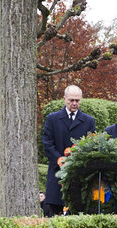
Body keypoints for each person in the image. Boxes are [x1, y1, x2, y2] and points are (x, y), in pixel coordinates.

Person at [42, 85, 95, 217]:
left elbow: (91, 146)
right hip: (57, 172)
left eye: (77, 100)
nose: (74, 103)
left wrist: (76, 162)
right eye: (71, 100)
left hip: (79, 174)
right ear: (64, 99)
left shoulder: (88, 121)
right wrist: (60, 160)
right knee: (54, 213)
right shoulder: (52, 119)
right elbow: (47, 143)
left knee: (77, 211)